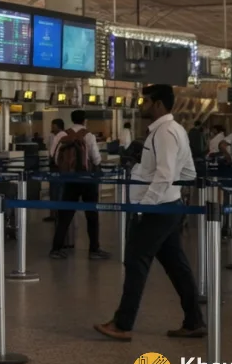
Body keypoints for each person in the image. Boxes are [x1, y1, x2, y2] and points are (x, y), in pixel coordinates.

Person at [95, 84, 204, 341]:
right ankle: (194, 321)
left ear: (157, 104)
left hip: (157, 210)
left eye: (145, 101)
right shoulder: (177, 130)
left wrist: (147, 204)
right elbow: (188, 172)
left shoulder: (164, 133)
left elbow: (166, 173)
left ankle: (122, 324)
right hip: (170, 206)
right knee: (177, 266)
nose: (141, 105)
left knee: (136, 261)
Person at [51, 110, 109, 260]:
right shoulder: (88, 136)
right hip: (87, 180)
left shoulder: (62, 135)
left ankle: (56, 248)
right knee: (92, 214)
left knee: (65, 215)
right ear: (84, 120)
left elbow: (53, 156)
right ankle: (94, 249)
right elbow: (96, 159)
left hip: (69, 180)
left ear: (71, 119)